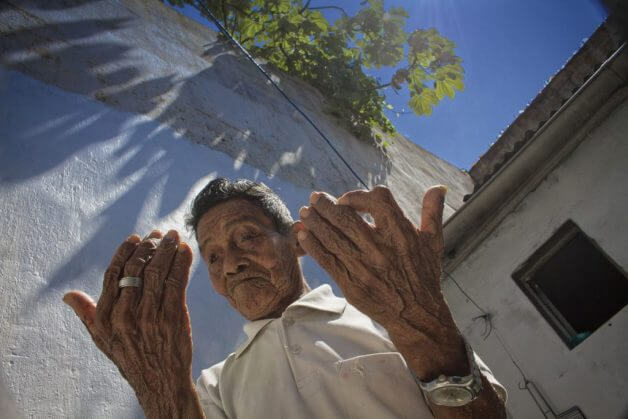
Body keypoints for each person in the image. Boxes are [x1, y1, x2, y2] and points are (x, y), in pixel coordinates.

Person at [64, 178, 507, 418]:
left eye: (247, 236)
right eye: (214, 256)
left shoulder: (384, 314)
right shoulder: (213, 390)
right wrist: (161, 391)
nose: (231, 264)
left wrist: (418, 325)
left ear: (295, 242)